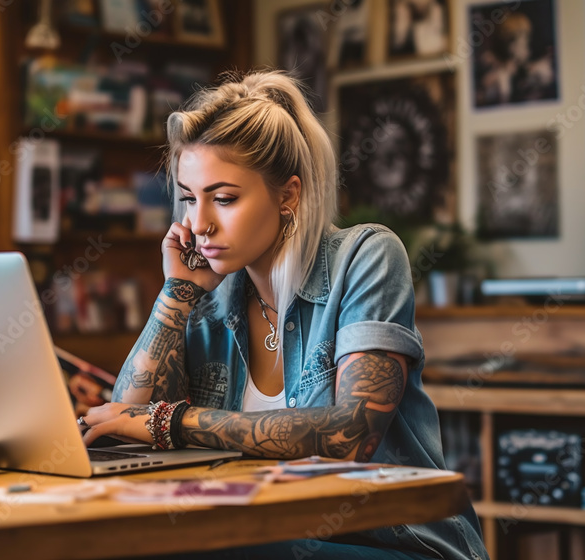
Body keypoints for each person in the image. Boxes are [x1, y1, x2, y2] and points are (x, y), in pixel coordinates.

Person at [78, 70, 488, 560]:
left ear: (288, 195)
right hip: (270, 535)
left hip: (394, 543)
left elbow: (349, 436)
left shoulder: (366, 257)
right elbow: (126, 425)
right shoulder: (207, 298)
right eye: (190, 198)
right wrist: (175, 294)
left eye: (224, 198)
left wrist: (173, 422)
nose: (199, 223)